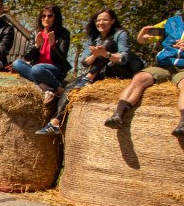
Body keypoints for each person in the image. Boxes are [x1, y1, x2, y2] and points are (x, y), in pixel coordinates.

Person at [105, 0, 184, 137]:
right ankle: (117, 115)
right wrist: (142, 36)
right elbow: (145, 39)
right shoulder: (171, 23)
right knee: (140, 78)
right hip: (164, 65)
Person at [36, 8, 142, 136]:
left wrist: (105, 54)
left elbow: (124, 58)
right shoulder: (94, 37)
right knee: (70, 87)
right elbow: (84, 62)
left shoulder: (120, 33)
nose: (101, 22)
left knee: (108, 44)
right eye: (98, 20)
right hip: (104, 70)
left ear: (112, 21)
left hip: (124, 71)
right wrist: (95, 55)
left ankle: (89, 78)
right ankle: (56, 122)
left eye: (105, 19)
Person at [10, 4, 72, 105]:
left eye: (50, 16)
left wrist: (53, 46)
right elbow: (27, 57)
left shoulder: (63, 34)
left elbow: (62, 58)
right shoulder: (35, 33)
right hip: (37, 69)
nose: (46, 18)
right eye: (43, 16)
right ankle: (50, 88)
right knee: (17, 63)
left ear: (56, 18)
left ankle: (50, 85)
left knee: (37, 69)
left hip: (54, 69)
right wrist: (36, 45)